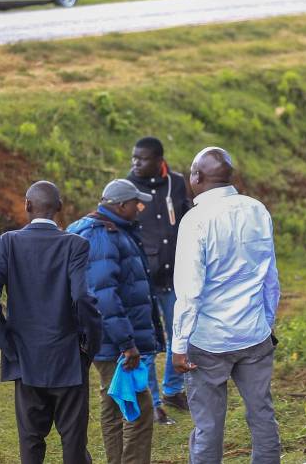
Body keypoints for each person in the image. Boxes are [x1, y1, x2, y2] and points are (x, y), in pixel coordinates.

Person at [0, 181, 103, 464]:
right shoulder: (75, 245)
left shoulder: (5, 244)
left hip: (25, 360)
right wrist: (89, 346)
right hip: (68, 358)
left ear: (27, 205)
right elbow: (83, 297)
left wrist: (8, 345)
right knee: (73, 443)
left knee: (31, 442)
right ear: (59, 208)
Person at [172, 147, 281, 464]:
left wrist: (179, 345)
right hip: (254, 334)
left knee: (208, 427)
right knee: (262, 415)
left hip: (208, 342)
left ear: (197, 177)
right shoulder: (257, 210)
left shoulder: (195, 221)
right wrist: (266, 322)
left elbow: (189, 291)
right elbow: (269, 276)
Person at [67, 179, 162, 464]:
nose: (139, 207)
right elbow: (104, 296)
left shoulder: (102, 229)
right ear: (121, 205)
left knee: (112, 402)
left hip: (103, 338)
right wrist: (127, 343)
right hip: (113, 340)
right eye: (136, 203)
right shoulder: (102, 236)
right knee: (139, 407)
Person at [127, 137, 192, 425]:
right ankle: (152, 403)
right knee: (148, 342)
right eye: (133, 158)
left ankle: (173, 390)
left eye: (141, 159)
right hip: (142, 278)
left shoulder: (176, 183)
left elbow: (189, 219)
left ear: (158, 160)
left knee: (180, 333)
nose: (135, 164)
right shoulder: (128, 188)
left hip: (176, 274)